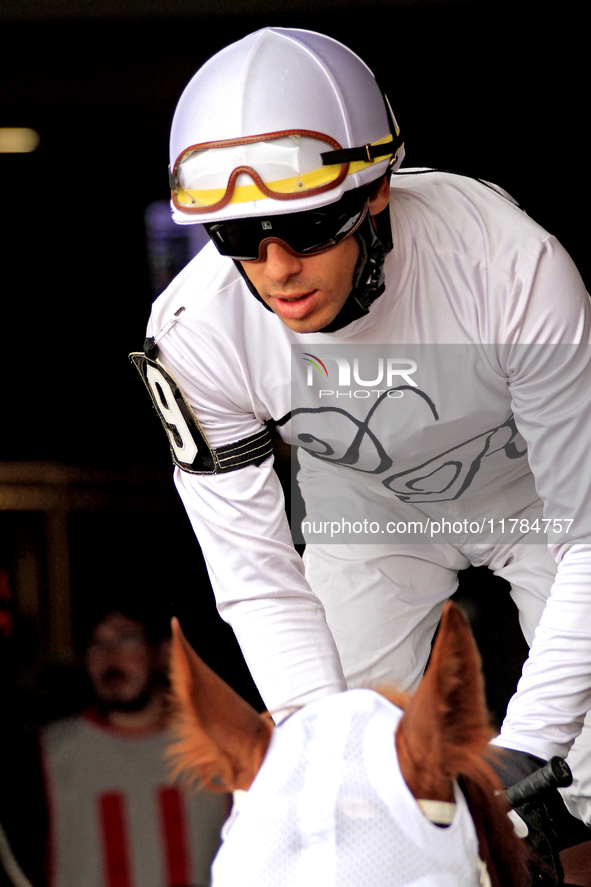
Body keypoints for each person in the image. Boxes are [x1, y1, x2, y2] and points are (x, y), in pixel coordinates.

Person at [132, 26, 591, 880]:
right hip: (363, 514)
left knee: (579, 788)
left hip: (538, 504)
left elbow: (588, 538)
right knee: (328, 792)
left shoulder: (513, 265)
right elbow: (257, 576)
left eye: (306, 226)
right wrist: (315, 747)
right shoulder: (192, 333)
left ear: (376, 191)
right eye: (238, 237)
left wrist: (525, 746)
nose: (277, 270)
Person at [41, 603, 229, 887]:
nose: (110, 657)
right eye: (97, 644)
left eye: (127, 639)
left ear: (163, 652)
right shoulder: (51, 752)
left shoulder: (217, 743)